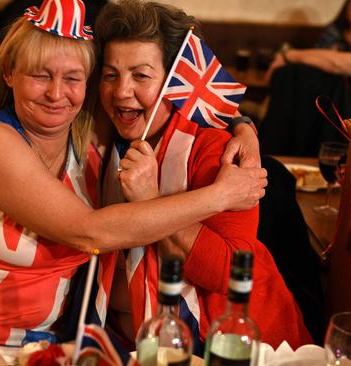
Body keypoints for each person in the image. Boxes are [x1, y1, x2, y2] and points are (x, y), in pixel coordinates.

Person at [0, 0, 267, 360]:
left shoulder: (87, 131)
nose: (56, 94)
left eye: (73, 78)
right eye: (40, 75)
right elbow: (90, 234)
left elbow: (150, 100)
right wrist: (220, 195)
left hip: (35, 347)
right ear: (9, 73)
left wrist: (241, 124)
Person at [94, 0, 311, 351]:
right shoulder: (99, 134)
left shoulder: (219, 150)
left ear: (174, 82)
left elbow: (230, 271)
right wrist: (243, 122)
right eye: (110, 74)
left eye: (141, 75)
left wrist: (151, 203)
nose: (121, 91)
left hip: (229, 342)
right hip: (121, 340)